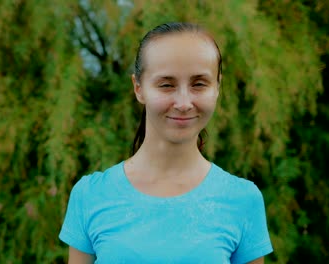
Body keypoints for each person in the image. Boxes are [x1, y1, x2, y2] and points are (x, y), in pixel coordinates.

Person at [59, 22, 273, 264]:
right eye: (166, 85)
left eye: (199, 84)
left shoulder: (243, 200)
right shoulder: (90, 195)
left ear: (217, 87)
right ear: (138, 88)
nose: (183, 102)